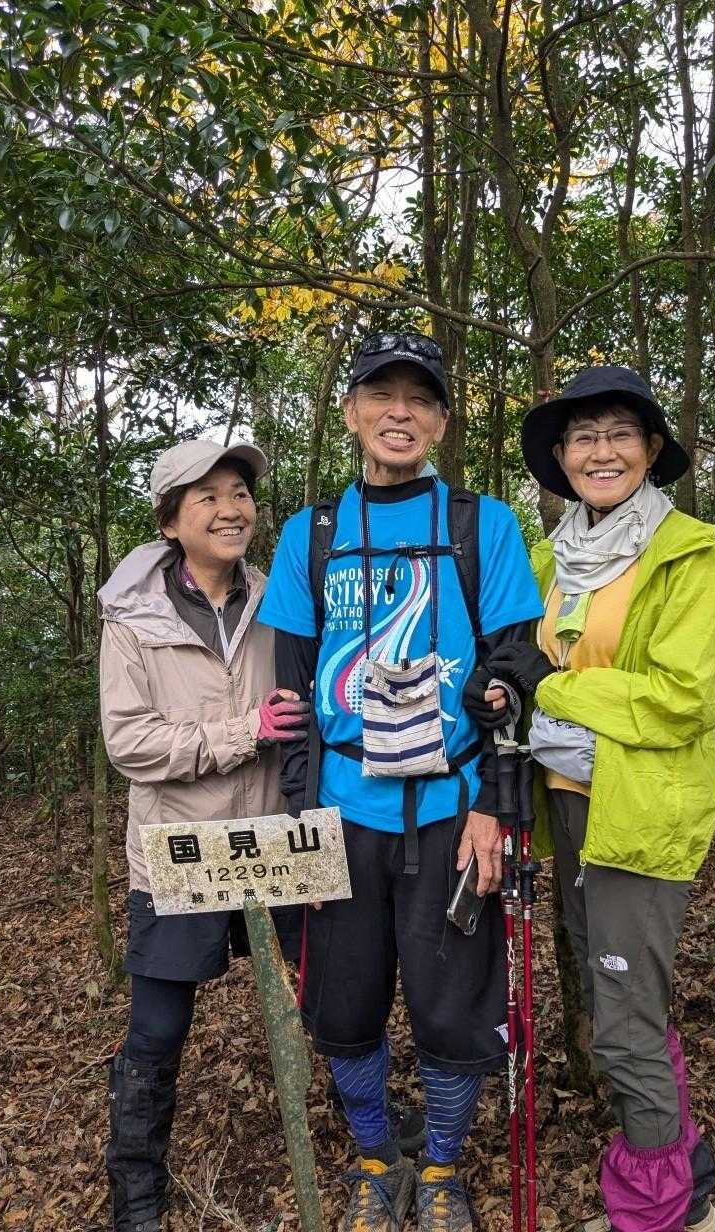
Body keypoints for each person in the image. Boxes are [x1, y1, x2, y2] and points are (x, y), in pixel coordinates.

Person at [257, 332, 543, 1232]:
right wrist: (302, 821)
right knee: (343, 1005)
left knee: (454, 1008)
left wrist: (495, 809)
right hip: (343, 811)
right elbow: (293, 696)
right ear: (350, 413)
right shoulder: (312, 536)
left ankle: (444, 1167)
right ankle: (377, 1160)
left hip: (454, 810)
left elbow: (516, 670)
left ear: (442, 422)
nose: (400, 413)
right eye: (381, 395)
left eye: (420, 399)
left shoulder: (482, 525)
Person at [484, 366, 715, 1232]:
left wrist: (549, 687)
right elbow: (521, 665)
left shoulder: (689, 554)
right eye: (582, 437)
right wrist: (506, 687)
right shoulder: (548, 559)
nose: (601, 451)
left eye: (620, 433)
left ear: (651, 449)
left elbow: (685, 697)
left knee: (623, 1024)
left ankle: (657, 1213)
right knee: (619, 1005)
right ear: (560, 457)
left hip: (642, 812)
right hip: (567, 805)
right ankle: (686, 1183)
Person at [99, 439, 309, 1232]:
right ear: (170, 521)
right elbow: (130, 744)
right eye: (208, 497)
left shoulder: (279, 598)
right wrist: (242, 732)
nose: (230, 510)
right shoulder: (133, 617)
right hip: (179, 849)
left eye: (240, 494)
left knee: (328, 991)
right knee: (157, 1030)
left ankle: (368, 1135)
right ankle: (135, 1186)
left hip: (275, 840)